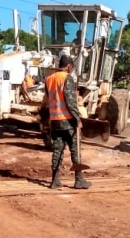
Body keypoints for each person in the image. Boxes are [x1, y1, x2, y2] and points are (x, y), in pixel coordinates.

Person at [44, 55, 91, 190]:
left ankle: (55, 180)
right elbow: (70, 102)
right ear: (69, 66)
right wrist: (77, 119)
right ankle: (79, 180)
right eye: (72, 67)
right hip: (68, 121)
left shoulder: (48, 79)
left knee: (57, 151)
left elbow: (49, 98)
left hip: (55, 120)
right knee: (75, 150)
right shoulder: (67, 78)